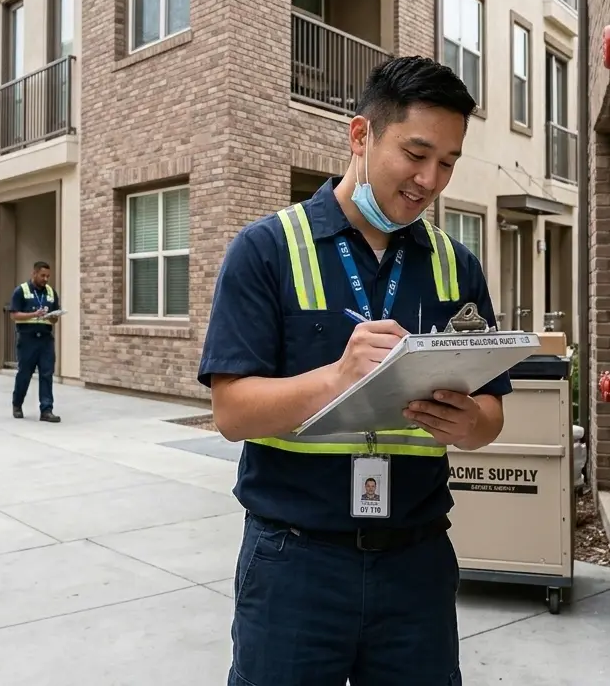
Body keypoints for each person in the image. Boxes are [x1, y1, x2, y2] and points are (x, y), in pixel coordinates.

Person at [197, 56, 512, 686]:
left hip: (416, 562)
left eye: (448, 162)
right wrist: (338, 379)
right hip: (294, 561)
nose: (430, 179)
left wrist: (467, 421)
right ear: (361, 136)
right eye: (416, 153)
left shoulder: (457, 266)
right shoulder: (266, 249)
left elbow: (491, 420)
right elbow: (232, 414)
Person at [9, 260, 61, 422]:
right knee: (25, 374)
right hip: (27, 340)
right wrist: (33, 314)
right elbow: (14, 315)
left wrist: (53, 317)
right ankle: (17, 404)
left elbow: (54, 321)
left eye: (48, 276)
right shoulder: (21, 291)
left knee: (47, 374)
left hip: (46, 340)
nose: (46, 279)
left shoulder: (51, 293)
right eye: (43, 275)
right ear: (34, 274)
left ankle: (46, 410)